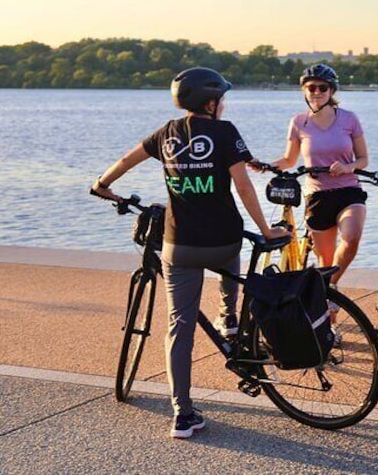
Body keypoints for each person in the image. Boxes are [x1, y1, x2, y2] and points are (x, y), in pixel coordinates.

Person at [90, 67, 287, 439]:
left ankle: (182, 413)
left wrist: (102, 186)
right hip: (224, 241)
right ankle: (229, 317)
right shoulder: (225, 133)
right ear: (210, 103)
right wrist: (265, 229)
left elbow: (125, 162)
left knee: (178, 328)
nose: (224, 104)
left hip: (179, 246)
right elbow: (243, 185)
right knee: (231, 259)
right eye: (222, 99)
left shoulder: (167, 133)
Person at [266, 63, 369, 304]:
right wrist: (265, 165)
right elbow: (289, 159)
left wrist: (348, 166)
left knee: (352, 236)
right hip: (318, 195)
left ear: (331, 91)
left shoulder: (348, 119)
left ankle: (332, 287)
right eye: (311, 88)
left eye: (323, 88)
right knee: (325, 261)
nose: (317, 92)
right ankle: (327, 314)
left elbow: (363, 159)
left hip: (348, 190)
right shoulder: (299, 122)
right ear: (304, 91)